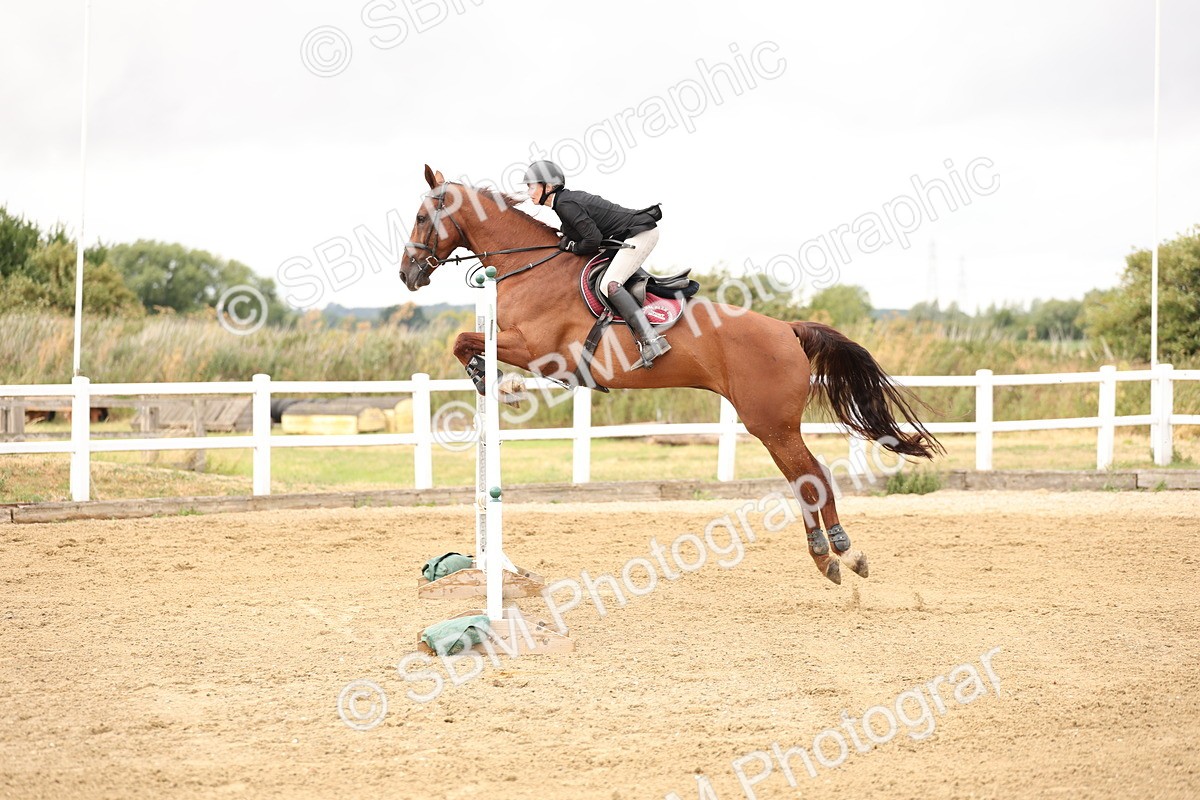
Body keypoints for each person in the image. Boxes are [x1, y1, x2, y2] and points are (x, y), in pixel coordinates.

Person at [523, 160, 670, 368]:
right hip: (626, 236)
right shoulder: (562, 203)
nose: (528, 191)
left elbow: (592, 239)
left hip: (641, 234)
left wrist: (572, 246)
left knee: (609, 284)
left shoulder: (565, 204)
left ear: (548, 187)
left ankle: (652, 340)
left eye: (531, 186)